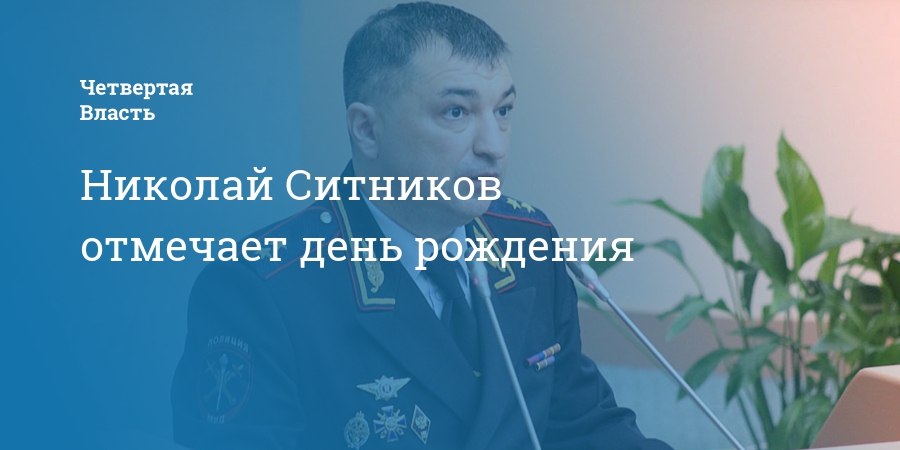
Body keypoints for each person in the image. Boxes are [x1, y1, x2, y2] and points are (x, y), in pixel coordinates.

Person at [171, 3, 672, 449]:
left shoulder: (527, 243)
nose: (494, 146)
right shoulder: (265, 288)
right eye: (456, 112)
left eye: (503, 111)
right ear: (367, 130)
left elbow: (584, 429)